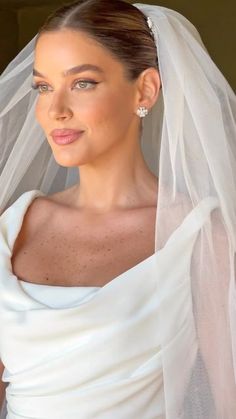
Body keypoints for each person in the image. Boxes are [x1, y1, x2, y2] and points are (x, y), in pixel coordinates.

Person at [0, 0, 235, 418]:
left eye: (83, 83)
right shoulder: (11, 228)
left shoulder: (200, 235)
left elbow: (225, 401)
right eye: (43, 86)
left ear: (144, 90)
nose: (55, 111)